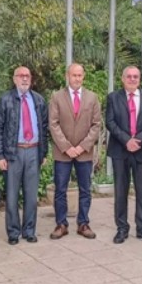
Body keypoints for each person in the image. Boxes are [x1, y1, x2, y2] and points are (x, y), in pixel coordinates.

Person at [0, 66, 49, 245]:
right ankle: (13, 232)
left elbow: (44, 128)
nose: (24, 79)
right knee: (12, 196)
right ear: (14, 79)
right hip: (13, 153)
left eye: (27, 76)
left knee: (31, 196)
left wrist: (43, 152)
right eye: (21, 76)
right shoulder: (5, 99)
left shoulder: (38, 100)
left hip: (33, 151)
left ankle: (29, 231)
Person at [106, 66, 142, 245]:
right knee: (120, 191)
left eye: (135, 76)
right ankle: (122, 228)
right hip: (120, 150)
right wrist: (126, 140)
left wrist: (139, 140)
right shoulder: (113, 97)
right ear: (122, 79)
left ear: (140, 79)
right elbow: (110, 122)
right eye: (128, 76)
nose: (132, 79)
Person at [48, 64, 102, 240]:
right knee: (60, 190)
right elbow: (53, 124)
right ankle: (61, 224)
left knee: (85, 189)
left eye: (80, 75)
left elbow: (96, 125)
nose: (77, 78)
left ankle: (83, 223)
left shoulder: (92, 97)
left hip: (84, 152)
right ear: (67, 76)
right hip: (62, 152)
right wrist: (67, 147)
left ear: (83, 76)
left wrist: (81, 147)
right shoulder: (57, 97)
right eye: (74, 75)